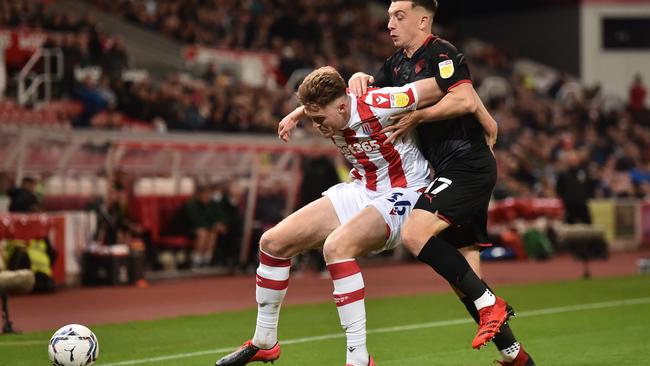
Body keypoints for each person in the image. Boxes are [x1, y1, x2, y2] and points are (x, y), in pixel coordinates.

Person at [279, 1, 533, 365]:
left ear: (423, 19)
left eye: (398, 16)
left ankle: (493, 305)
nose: (390, 24)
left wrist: (420, 117)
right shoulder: (396, 65)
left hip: (464, 164)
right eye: (388, 17)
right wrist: (301, 109)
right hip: (444, 168)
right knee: (464, 277)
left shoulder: (442, 53)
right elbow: (342, 101)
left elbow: (462, 95)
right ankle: (515, 356)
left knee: (415, 234)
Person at [216, 66, 443, 366]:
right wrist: (297, 115)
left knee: (336, 248)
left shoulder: (381, 102)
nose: (318, 127)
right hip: (363, 188)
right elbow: (323, 107)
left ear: (342, 105)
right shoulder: (332, 109)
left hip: (407, 192)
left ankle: (359, 359)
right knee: (272, 242)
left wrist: (422, 115)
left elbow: (442, 85)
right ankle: (265, 341)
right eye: (312, 119)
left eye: (319, 119)